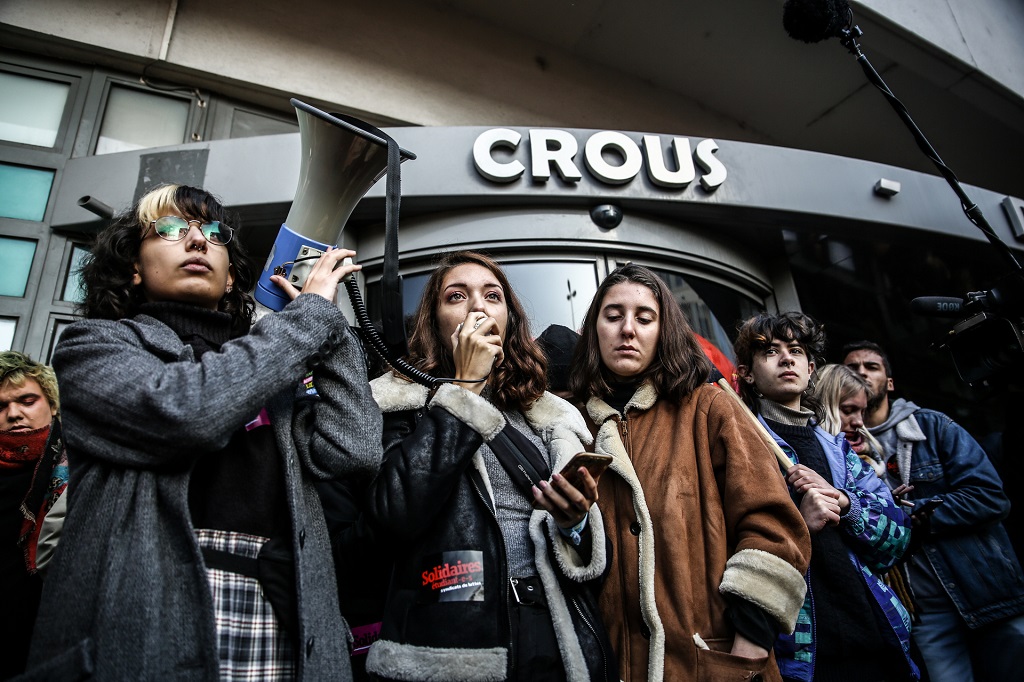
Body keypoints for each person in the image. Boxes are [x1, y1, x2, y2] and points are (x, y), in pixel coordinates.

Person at [22, 184, 381, 681]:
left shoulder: (272, 359)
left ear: (232, 276)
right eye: (170, 229)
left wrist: (331, 330)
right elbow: (187, 411)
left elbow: (353, 451)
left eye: (214, 234)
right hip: (147, 613)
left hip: (278, 610)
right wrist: (305, 323)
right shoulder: (93, 344)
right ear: (133, 266)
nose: (197, 241)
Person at [364, 251, 614, 682]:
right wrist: (466, 387)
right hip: (458, 637)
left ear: (509, 320)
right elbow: (395, 512)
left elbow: (588, 555)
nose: (478, 307)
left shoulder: (549, 416)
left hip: (554, 632)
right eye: (457, 296)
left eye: (492, 296)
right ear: (434, 321)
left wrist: (574, 522)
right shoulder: (396, 405)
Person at [569, 264, 811, 682]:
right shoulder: (571, 424)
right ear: (594, 329)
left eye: (645, 318)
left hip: (710, 664)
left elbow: (774, 528)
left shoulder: (709, 408)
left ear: (664, 331)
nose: (628, 329)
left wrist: (746, 653)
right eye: (613, 316)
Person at [734, 314, 917, 682]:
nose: (787, 359)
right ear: (747, 374)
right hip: (805, 652)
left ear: (811, 368)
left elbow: (897, 538)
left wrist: (845, 503)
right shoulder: (742, 443)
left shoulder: (839, 450)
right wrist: (800, 524)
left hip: (876, 637)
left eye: (796, 351)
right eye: (770, 351)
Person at [843, 340, 1024, 682]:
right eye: (852, 368)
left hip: (986, 591)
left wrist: (910, 514)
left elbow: (990, 497)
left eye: (871, 366)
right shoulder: (840, 448)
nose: (861, 373)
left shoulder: (933, 426)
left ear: (890, 382)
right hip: (925, 613)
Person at [0, 352, 65, 678]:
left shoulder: (77, 465)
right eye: (1, 406)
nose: (14, 414)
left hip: (47, 634)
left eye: (27, 401)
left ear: (52, 404)